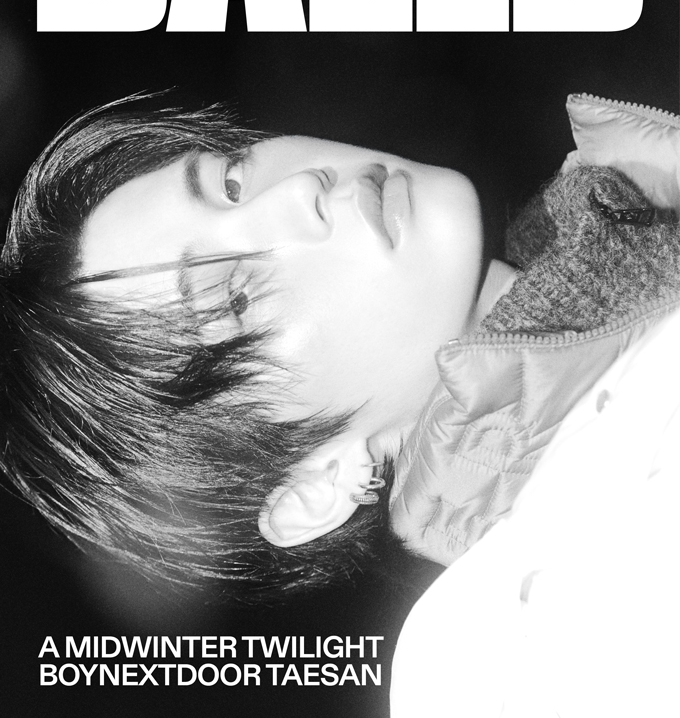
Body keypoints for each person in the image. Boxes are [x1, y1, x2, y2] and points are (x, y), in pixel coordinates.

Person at [1, 92, 679, 601]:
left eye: (231, 181)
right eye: (232, 299)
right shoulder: (588, 605)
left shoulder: (633, 226)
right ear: (315, 486)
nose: (297, 191)